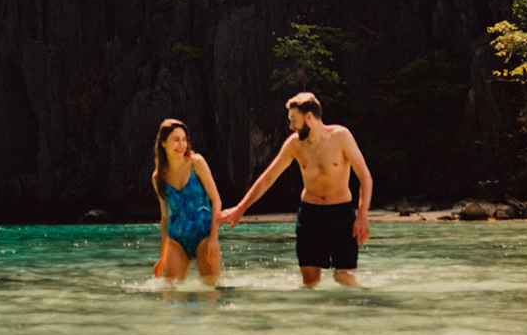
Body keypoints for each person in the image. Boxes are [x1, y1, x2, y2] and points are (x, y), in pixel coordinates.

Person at [219, 91, 372, 286]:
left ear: (309, 117)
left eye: (294, 120)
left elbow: (365, 176)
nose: (291, 126)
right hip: (310, 215)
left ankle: (365, 304)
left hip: (341, 214)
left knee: (343, 276)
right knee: (310, 280)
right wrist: (240, 209)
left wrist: (362, 214)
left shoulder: (341, 136)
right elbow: (268, 178)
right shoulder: (294, 145)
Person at [150, 118, 222, 286]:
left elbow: (216, 200)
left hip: (204, 234)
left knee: (210, 289)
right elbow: (165, 218)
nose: (181, 145)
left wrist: (214, 237)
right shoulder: (158, 177)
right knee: (170, 292)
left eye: (184, 139)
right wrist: (163, 256)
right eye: (176, 140)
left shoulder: (196, 163)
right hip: (177, 238)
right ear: (163, 143)